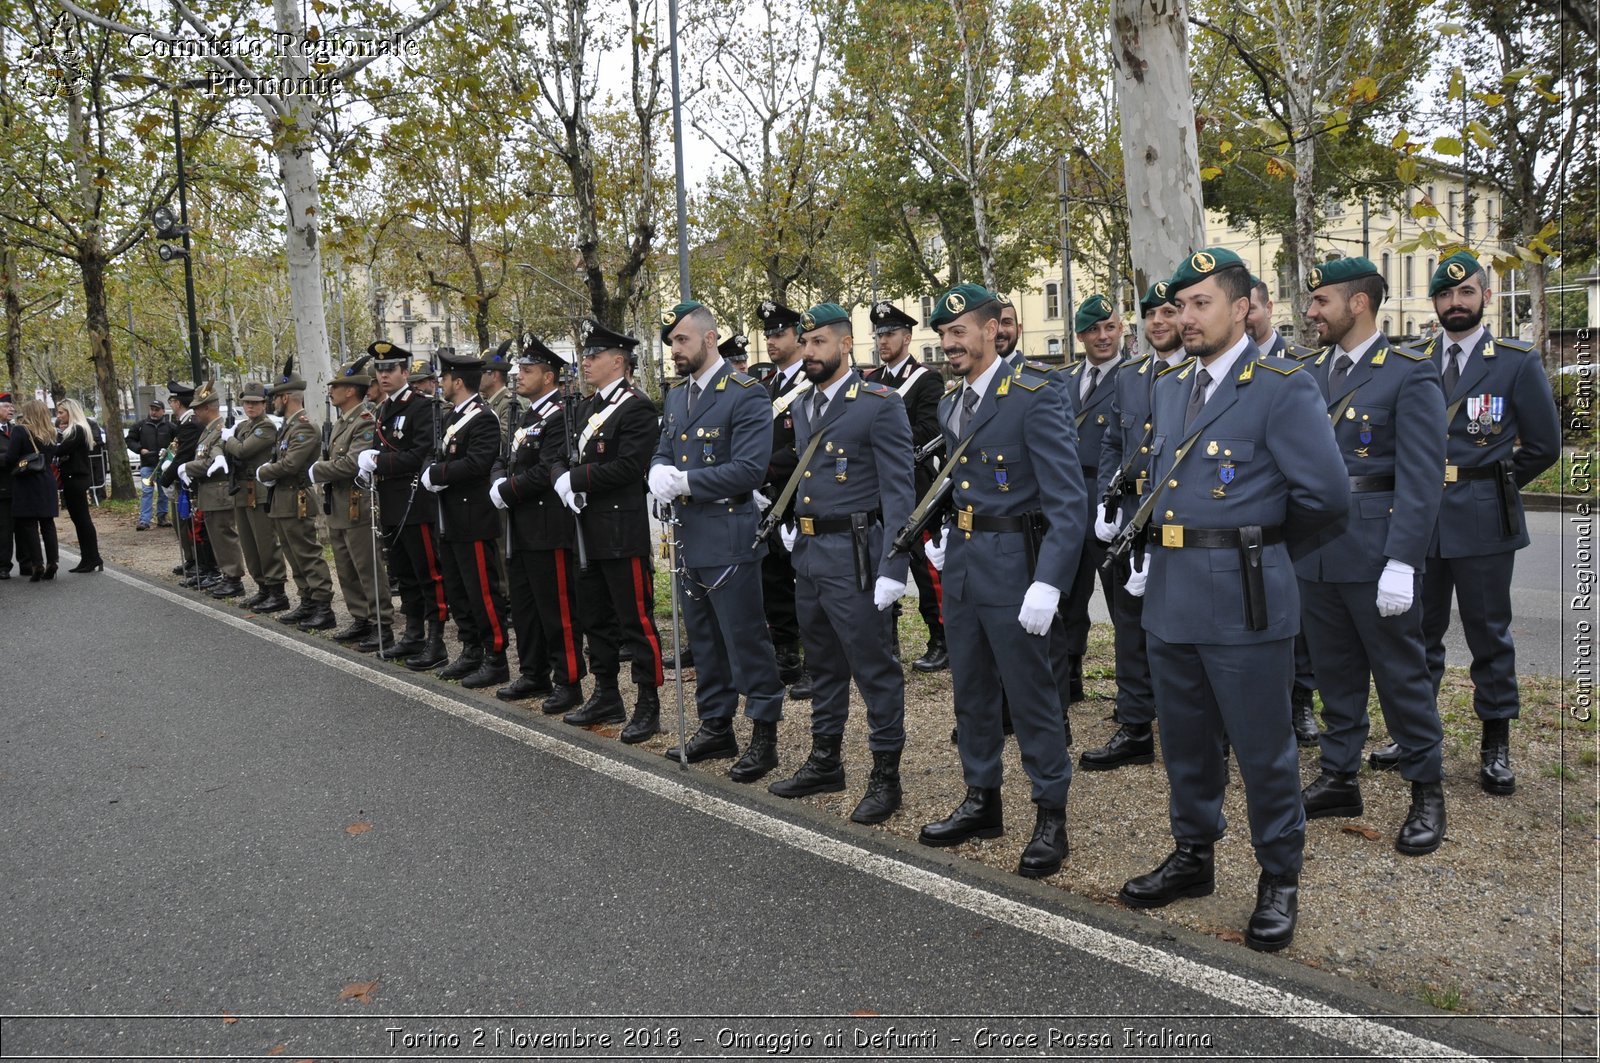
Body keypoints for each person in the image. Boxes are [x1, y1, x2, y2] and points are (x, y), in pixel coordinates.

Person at [1116, 247, 1349, 953]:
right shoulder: (1168, 387)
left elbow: (1328, 497)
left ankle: (1280, 875)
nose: (1183, 317)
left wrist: (1261, 542)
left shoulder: (1282, 385)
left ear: (1243, 307)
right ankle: (1195, 853)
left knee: (1263, 749)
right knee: (1185, 743)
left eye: (1200, 304)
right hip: (1173, 595)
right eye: (1177, 306)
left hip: (1245, 597)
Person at [916, 284, 1086, 879]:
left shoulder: (1035, 396)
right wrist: (940, 538)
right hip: (964, 562)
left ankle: (1050, 814)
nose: (948, 343)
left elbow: (1069, 500)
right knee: (973, 692)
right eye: (942, 335)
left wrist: (1050, 582)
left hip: (1018, 565)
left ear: (993, 329)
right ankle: (981, 798)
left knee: (1032, 693)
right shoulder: (951, 402)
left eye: (958, 331)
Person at [1380, 250, 1560, 796]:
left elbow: (1545, 446)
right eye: (1445, 295)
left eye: (1465, 293)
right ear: (1433, 302)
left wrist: (1494, 482)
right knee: (1417, 633)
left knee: (1488, 634)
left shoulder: (1515, 361)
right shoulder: (1411, 359)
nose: (1455, 303)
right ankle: (1416, 735)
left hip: (1483, 518)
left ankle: (1495, 743)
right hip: (1421, 518)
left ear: (1484, 296)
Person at [1295, 256, 1448, 855]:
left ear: (1358, 303)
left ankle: (1426, 790)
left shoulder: (1409, 372)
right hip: (1318, 550)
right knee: (1333, 671)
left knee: (1401, 676)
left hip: (1378, 550)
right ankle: (1339, 777)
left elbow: (1421, 477)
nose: (1311, 313)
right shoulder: (1307, 372)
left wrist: (1403, 561)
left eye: (1321, 301)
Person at [766, 302, 915, 823]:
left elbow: (900, 492)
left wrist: (894, 565)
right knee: (822, 664)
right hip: (809, 553)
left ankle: (885, 776)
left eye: (819, 343)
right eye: (804, 343)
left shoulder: (878, 403)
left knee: (875, 669)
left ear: (846, 345)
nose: (808, 352)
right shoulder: (803, 406)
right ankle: (826, 759)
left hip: (856, 556)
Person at [649, 300, 787, 781]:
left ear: (709, 339)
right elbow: (664, 449)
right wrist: (657, 473)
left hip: (730, 536)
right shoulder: (676, 396)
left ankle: (764, 734)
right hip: (688, 536)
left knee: (745, 638)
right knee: (704, 639)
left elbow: (750, 468)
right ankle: (716, 724)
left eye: (681, 340)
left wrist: (684, 481)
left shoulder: (745, 393)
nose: (674, 350)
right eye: (671, 343)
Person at [1081, 280, 1182, 771]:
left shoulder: (1204, 371)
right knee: (1128, 626)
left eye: (1168, 311)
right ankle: (1136, 724)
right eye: (1151, 314)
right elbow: (1112, 446)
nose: (1158, 321)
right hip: (1130, 519)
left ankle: (1200, 730)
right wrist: (1106, 503)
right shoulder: (1129, 375)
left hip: (1183, 522)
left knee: (1184, 626)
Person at [553, 319, 665, 738]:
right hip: (585, 529)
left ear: (618, 361)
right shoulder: (585, 407)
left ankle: (648, 702)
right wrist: (563, 479)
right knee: (594, 617)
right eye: (586, 355)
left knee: (635, 621)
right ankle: (606, 693)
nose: (585, 361)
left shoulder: (636, 406)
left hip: (620, 531)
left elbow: (629, 466)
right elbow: (563, 456)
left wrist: (578, 480)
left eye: (593, 355)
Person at [491, 334, 585, 714]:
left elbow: (548, 469)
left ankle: (569, 681)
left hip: (548, 527)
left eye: (527, 371)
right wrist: (498, 481)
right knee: (527, 606)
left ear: (549, 377)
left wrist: (507, 491)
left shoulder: (560, 415)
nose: (518, 376)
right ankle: (533, 672)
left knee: (556, 608)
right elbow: (505, 457)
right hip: (520, 527)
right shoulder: (526, 415)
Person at [1249, 276, 1321, 740]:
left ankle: (1301, 702)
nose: (1248, 318)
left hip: (1289, 521)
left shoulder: (1300, 366)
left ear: (1267, 308)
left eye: (1253, 308)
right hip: (1242, 523)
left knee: (1300, 623)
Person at [865, 299, 948, 672]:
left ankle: (941, 637)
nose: (883, 340)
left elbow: (931, 429)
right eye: (879, 334)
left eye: (890, 333)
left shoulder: (927, 378)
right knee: (881, 560)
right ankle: (888, 637)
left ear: (908, 336)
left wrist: (882, 440)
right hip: (875, 485)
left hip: (915, 484)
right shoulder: (870, 381)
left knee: (924, 567)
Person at [421, 348, 512, 689]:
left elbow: (478, 463)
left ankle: (495, 656)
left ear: (457, 381)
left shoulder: (483, 417)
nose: (441, 383)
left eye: (444, 378)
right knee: (459, 590)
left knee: (482, 592)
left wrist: (439, 473)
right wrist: (430, 470)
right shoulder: (449, 416)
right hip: (450, 519)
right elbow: (436, 452)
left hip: (473, 518)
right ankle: (471, 650)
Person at [358, 344, 449, 670]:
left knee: (428, 573)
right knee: (404, 573)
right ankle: (413, 633)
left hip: (415, 502)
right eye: (380, 370)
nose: (383, 375)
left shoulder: (422, 407)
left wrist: (379, 461)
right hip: (391, 503)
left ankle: (436, 641)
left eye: (391, 369)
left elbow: (420, 454)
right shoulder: (384, 409)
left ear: (405, 373)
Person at [1061, 295, 1129, 706]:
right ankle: (1069, 679)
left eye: (1109, 327)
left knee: (1123, 605)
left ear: (1121, 329)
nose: (1102, 337)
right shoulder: (1064, 380)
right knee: (1068, 597)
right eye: (1093, 330)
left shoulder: (1136, 378)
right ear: (1081, 336)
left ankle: (1132, 694)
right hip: (1069, 504)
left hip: (1110, 503)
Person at [310, 354, 390, 647]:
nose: (331, 390)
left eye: (337, 386)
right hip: (339, 505)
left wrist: (316, 470)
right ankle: (360, 619)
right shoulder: (343, 422)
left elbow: (352, 464)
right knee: (346, 568)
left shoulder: (365, 422)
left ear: (351, 390)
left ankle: (381, 623)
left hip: (357, 504)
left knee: (367, 568)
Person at [754, 299, 811, 698]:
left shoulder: (812, 380)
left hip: (804, 492)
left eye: (779, 333)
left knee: (809, 582)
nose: (771, 340)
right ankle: (787, 652)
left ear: (799, 337)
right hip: (770, 496)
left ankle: (817, 659)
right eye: (768, 334)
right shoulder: (768, 386)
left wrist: (760, 471)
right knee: (774, 576)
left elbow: (803, 445)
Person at [255, 358, 337, 631]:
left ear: (287, 397)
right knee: (293, 554)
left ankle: (323, 606)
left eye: (276, 397)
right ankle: (308, 601)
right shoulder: (288, 427)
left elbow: (290, 464)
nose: (272, 402)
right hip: (282, 500)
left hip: (296, 498)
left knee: (307, 554)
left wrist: (264, 472)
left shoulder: (303, 427)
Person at [222, 381, 290, 613]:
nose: (250, 407)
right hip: (241, 490)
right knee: (249, 545)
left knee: (265, 542)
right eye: (247, 403)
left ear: (264, 404)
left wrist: (227, 438)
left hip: (258, 492)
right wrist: (230, 439)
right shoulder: (242, 427)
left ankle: (276, 591)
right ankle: (262, 587)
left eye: (255, 403)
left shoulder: (266, 427)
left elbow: (242, 450)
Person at [176, 385, 245, 596]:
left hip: (219, 491)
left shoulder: (220, 431)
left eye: (198, 408)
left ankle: (233, 578)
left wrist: (187, 467)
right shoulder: (209, 431)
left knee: (224, 535)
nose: (195, 412)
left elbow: (210, 463)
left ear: (208, 408)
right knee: (215, 536)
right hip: (209, 492)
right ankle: (225, 575)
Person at [5, 400, 59, 580]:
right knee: (48, 524)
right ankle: (53, 561)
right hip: (47, 480)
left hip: (27, 481)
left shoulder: (20, 430)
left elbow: (11, 457)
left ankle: (37, 564)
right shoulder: (51, 432)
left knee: (29, 525)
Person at [51, 398, 103, 573]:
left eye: (61, 412)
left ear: (70, 413)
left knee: (82, 520)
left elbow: (60, 450)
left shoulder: (77, 430)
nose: (58, 416)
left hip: (76, 478)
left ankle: (92, 557)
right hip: (73, 477)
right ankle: (88, 557)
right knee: (79, 520)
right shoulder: (74, 430)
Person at [127, 398, 173, 530]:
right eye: (152, 409)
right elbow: (130, 440)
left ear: (163, 412)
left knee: (163, 492)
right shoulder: (140, 425)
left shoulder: (169, 426)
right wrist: (140, 449)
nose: (153, 412)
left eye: (156, 410)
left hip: (165, 465)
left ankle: (162, 517)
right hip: (147, 464)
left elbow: (178, 440)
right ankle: (144, 520)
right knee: (147, 492)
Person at [0, 391, 14, 578]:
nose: (10, 409)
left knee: (23, 526)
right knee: (4, 529)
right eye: (6, 406)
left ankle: (27, 563)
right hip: (2, 485)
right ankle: (3, 566)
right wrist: (11, 459)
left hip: (18, 485)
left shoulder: (15, 429)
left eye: (11, 407)